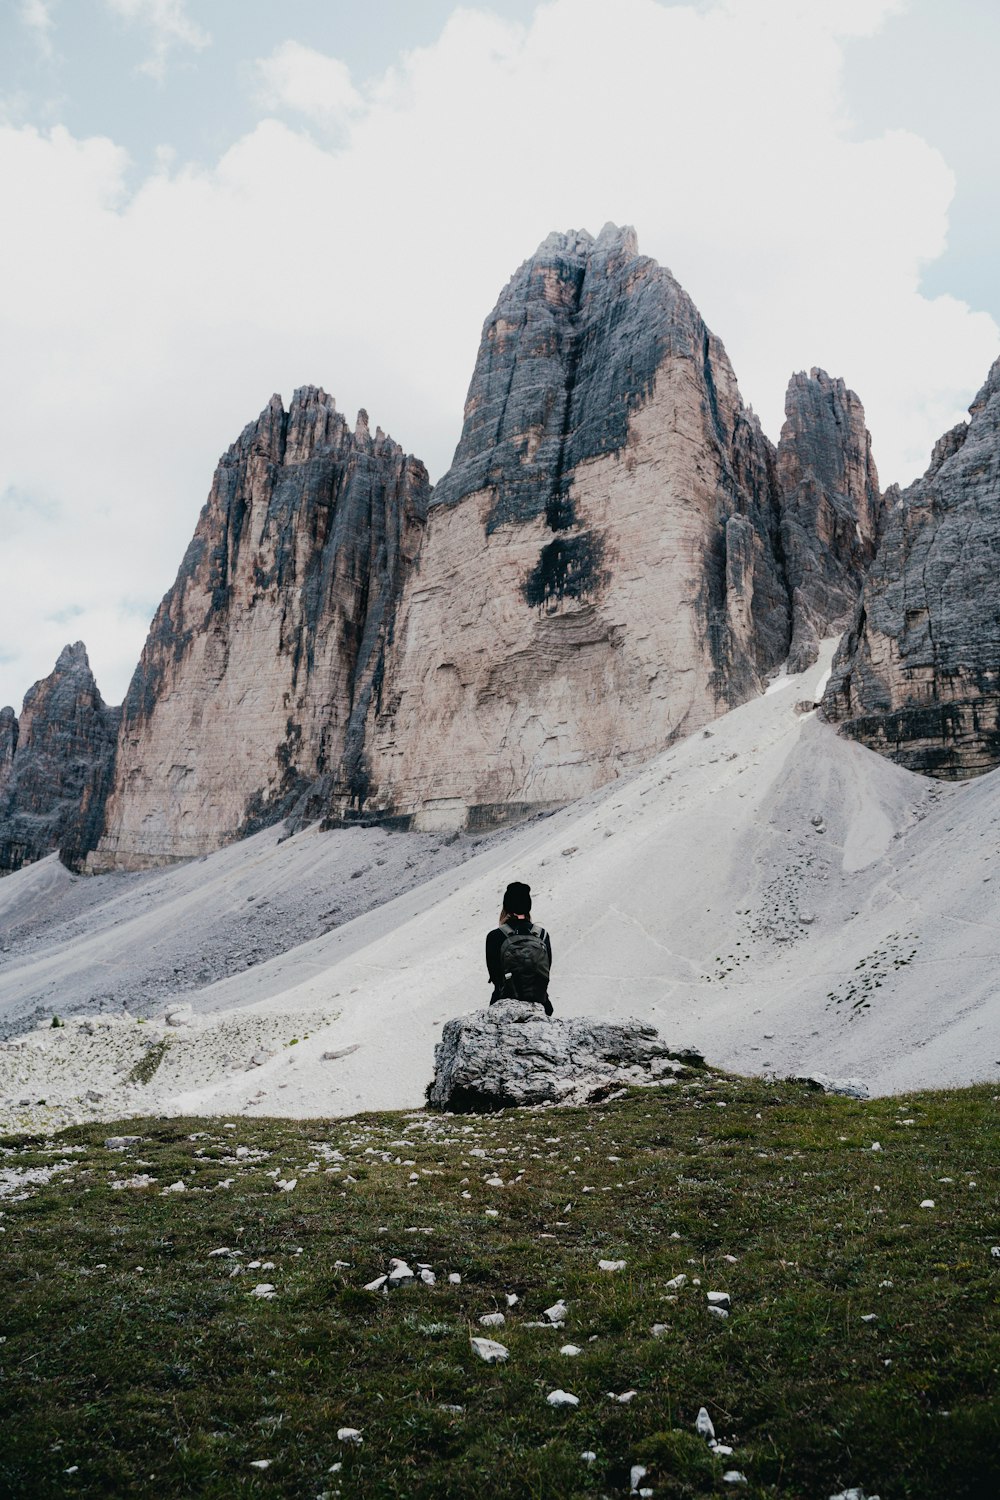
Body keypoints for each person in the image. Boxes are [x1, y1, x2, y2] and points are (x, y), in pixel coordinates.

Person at [486, 881, 553, 1016]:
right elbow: (545, 968)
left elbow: (495, 976)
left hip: (504, 1003)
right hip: (540, 1002)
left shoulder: (495, 936)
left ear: (506, 907)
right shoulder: (542, 934)